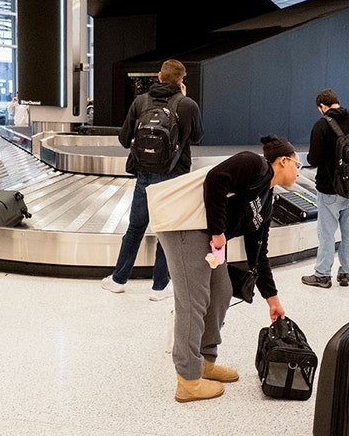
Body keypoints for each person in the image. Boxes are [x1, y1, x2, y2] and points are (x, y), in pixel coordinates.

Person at [158, 136, 298, 402]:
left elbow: (259, 253)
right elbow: (216, 179)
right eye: (297, 165)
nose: (298, 171)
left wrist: (272, 298)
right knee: (193, 302)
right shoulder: (253, 164)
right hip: (187, 229)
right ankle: (187, 380)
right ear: (283, 161)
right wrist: (218, 231)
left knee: (222, 291)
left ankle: (205, 360)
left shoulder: (267, 199)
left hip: (209, 239)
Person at [102, 59, 204, 300]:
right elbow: (198, 137)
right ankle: (160, 287)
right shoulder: (187, 104)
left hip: (145, 174)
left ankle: (118, 279)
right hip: (174, 176)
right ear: (181, 81)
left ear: (159, 76)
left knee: (136, 227)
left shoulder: (141, 102)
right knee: (166, 230)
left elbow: (124, 139)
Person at [301, 89, 349, 289]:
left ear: (322, 107)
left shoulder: (321, 125)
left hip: (329, 189)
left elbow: (313, 160)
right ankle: (345, 273)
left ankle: (322, 275)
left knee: (327, 233)